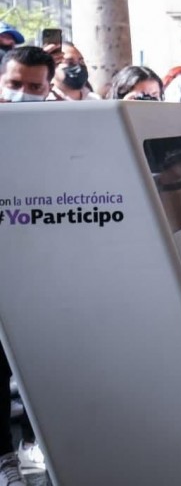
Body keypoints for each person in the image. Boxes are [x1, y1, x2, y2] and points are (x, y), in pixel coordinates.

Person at [0, 45, 56, 486]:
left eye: (34, 87)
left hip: (38, 268)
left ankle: (41, 443)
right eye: (14, 85)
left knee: (36, 362)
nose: (23, 94)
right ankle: (6, 458)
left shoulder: (60, 127)